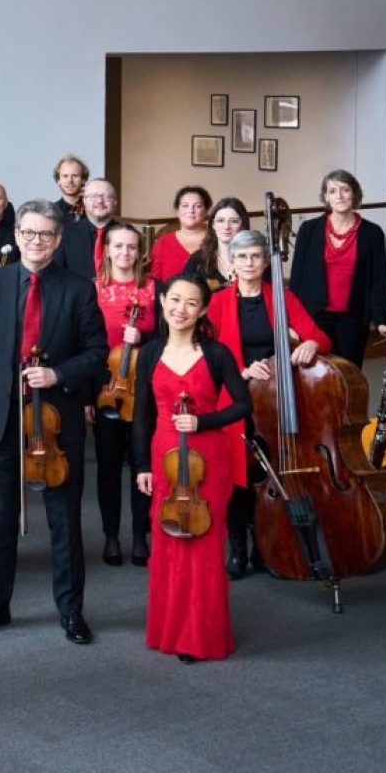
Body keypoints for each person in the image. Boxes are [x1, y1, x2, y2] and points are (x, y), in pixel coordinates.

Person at [0, 199, 107, 643]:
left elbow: (99, 354)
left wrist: (58, 373)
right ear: (17, 234)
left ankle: (70, 611)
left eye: (46, 234)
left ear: (58, 239)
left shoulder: (79, 288)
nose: (36, 241)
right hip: (3, 420)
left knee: (64, 522)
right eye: (28, 232)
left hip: (57, 423)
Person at [133, 273, 252, 663]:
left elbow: (242, 404)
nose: (180, 308)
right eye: (174, 299)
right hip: (164, 455)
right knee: (169, 540)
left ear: (202, 310)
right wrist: (141, 467)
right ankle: (169, 630)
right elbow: (141, 416)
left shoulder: (217, 354)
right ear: (163, 301)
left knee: (202, 544)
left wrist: (204, 422)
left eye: (191, 303)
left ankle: (198, 636)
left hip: (207, 459)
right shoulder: (149, 352)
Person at [208, 230, 331, 579]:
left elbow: (319, 335)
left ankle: (266, 544)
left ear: (266, 262)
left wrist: (309, 344)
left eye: (256, 257)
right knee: (238, 476)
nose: (249, 263)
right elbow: (208, 356)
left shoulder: (281, 296)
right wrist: (242, 371)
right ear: (232, 262)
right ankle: (237, 545)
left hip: (276, 399)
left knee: (270, 473)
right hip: (236, 396)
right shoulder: (217, 303)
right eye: (242, 257)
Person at [90, 223, 158, 567]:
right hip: (105, 390)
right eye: (118, 246)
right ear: (107, 250)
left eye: (131, 247)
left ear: (139, 252)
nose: (125, 253)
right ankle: (111, 535)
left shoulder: (153, 289)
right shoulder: (93, 289)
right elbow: (83, 342)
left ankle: (141, 535)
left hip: (144, 391)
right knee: (108, 466)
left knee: (142, 464)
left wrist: (143, 339)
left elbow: (166, 338)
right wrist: (88, 395)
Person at [289, 170, 386, 367]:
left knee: (348, 374)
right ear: (326, 197)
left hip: (352, 319)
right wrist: (292, 320)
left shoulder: (372, 233)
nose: (339, 196)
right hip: (314, 316)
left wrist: (380, 320)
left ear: (354, 194)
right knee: (314, 376)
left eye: (345, 189)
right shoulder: (308, 230)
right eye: (333, 191)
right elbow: (297, 279)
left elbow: (379, 279)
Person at [55, 179, 119, 279]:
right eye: (93, 196)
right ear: (84, 200)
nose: (99, 201)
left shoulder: (128, 235)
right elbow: (58, 273)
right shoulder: (66, 233)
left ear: (115, 201)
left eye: (106, 196)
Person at [149, 186, 213, 284]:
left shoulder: (217, 239)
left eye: (197, 206)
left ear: (206, 211)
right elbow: (154, 283)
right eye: (185, 205)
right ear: (177, 211)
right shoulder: (163, 243)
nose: (191, 210)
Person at [183, 197, 250, 290]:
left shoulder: (254, 258)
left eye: (234, 221)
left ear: (243, 226)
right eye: (220, 221)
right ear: (213, 225)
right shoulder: (197, 260)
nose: (226, 226)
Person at [52, 154, 90, 222]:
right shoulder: (51, 212)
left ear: (83, 179)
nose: (70, 180)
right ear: (58, 180)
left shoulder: (93, 210)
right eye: (65, 176)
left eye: (75, 176)